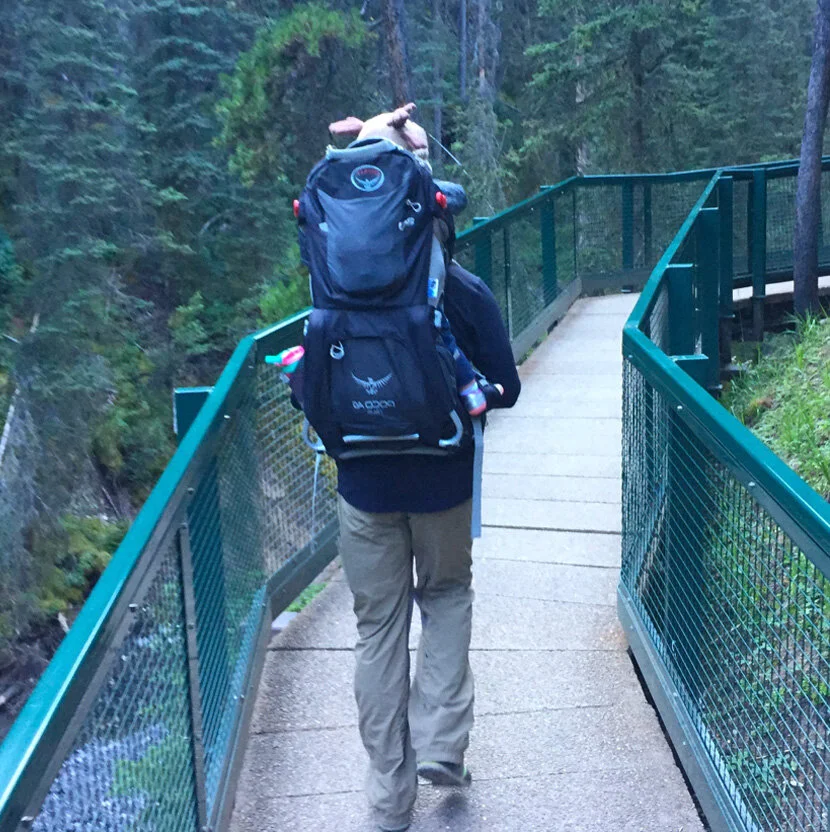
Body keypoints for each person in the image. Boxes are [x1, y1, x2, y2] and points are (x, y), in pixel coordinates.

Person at [335, 256, 520, 831]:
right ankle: (440, 743)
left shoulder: (338, 283)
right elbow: (507, 387)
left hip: (363, 486)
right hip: (443, 481)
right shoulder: (463, 288)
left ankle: (389, 801)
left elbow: (311, 386)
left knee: (377, 628)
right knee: (445, 596)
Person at [328, 104, 489, 416]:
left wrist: (368, 134)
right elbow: (456, 196)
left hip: (348, 311)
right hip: (411, 304)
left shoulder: (344, 202)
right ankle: (470, 389)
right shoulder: (415, 196)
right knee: (439, 328)